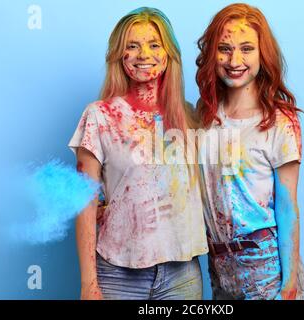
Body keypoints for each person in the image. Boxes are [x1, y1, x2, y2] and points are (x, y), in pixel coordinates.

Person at [68, 7, 208, 300]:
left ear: (169, 54)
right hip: (117, 272)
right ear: (120, 55)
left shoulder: (190, 116)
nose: (144, 53)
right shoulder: (99, 116)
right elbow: (84, 204)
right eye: (133, 46)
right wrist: (88, 283)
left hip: (181, 275)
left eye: (154, 44)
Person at [195, 3, 304, 300]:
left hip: (266, 267)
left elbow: (287, 206)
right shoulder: (205, 115)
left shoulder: (279, 120)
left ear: (262, 54)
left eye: (247, 49)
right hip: (219, 266)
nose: (235, 60)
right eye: (225, 48)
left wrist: (290, 282)